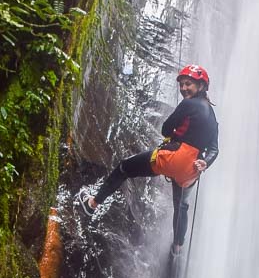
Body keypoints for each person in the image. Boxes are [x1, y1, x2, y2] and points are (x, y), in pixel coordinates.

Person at [78, 64, 219, 255]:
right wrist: (206, 163)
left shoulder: (189, 104)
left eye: (189, 84)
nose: (184, 88)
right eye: (182, 84)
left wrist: (175, 134)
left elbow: (166, 129)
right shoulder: (213, 117)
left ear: (201, 86)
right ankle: (177, 247)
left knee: (124, 168)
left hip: (175, 157)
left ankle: (92, 204)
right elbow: (214, 149)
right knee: (181, 206)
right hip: (192, 169)